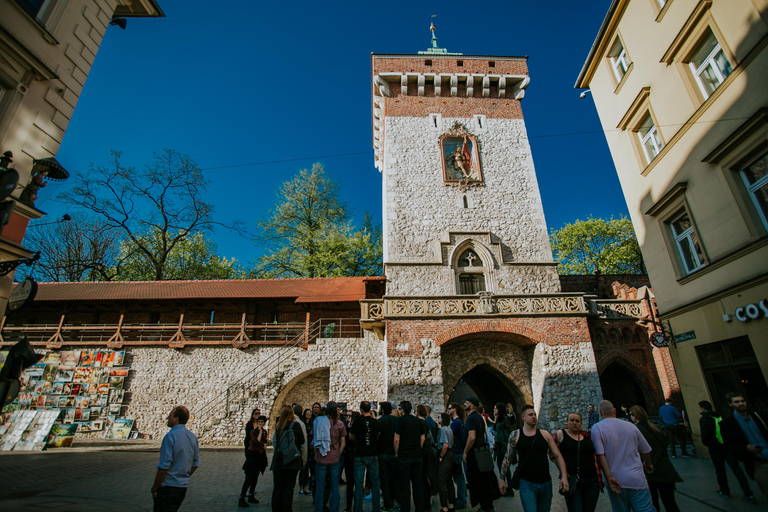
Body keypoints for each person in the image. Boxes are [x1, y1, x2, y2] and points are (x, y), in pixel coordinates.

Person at [499, 404, 568, 512]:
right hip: (527, 483)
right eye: (530, 415)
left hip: (545, 482)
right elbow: (508, 457)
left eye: (535, 414)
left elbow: (558, 455)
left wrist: (564, 476)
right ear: (523, 417)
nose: (534, 416)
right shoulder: (516, 435)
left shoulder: (545, 434)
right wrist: (502, 479)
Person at [591, 400, 654, 512]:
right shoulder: (631, 426)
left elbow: (601, 456)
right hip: (637, 478)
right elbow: (646, 450)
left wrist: (609, 477)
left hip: (616, 479)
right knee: (645, 509)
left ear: (600, 413)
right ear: (615, 410)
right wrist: (648, 464)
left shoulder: (597, 428)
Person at [698, 400, 753, 500]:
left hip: (715, 448)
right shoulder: (720, 415)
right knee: (737, 470)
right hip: (728, 447)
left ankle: (724, 490)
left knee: (720, 470)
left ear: (703, 408)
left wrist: (708, 444)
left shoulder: (704, 419)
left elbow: (705, 435)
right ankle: (748, 493)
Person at [630, 405, 682, 512]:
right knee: (670, 503)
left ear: (635, 417)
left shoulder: (636, 430)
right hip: (666, 470)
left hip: (650, 470)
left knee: (652, 504)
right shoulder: (655, 428)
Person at [720, 392, 768, 502]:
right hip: (758, 463)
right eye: (737, 402)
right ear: (730, 404)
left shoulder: (758, 416)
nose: (741, 404)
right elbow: (729, 446)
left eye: (742, 401)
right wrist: (745, 448)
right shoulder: (727, 424)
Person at [151, 405, 200, 512]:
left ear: (176, 419)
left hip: (168, 486)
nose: (167, 418)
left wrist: (154, 488)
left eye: (170, 416)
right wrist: (183, 475)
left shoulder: (170, 437)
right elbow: (196, 463)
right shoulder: (192, 437)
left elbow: (164, 466)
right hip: (182, 487)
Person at [553, 412, 600, 512]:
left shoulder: (587, 436)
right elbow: (553, 455)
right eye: (572, 420)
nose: (574, 423)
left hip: (592, 481)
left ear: (581, 424)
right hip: (574, 480)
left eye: (577, 421)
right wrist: (563, 473)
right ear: (567, 422)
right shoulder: (560, 434)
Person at [463, 397, 501, 512]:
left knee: (478, 480)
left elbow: (472, 436)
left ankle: (485, 507)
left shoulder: (470, 418)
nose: (464, 404)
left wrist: (465, 452)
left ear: (472, 406)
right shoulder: (479, 417)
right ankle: (488, 505)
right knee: (485, 479)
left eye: (467, 403)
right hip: (482, 451)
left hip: (475, 453)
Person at [271, 404, 306, 512]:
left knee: (277, 487)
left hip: (278, 460)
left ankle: (276, 509)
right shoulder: (296, 425)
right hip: (291, 461)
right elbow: (302, 441)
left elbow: (274, 441)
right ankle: (286, 508)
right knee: (288, 488)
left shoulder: (278, 425)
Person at [314, 400, 347, 512]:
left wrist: (317, 453)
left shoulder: (319, 421)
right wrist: (338, 453)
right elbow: (343, 442)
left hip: (321, 458)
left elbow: (314, 441)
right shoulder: (340, 424)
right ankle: (335, 509)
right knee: (335, 487)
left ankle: (318, 509)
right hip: (334, 458)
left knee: (320, 487)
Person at [394, 400, 426, 512]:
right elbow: (423, 438)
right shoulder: (418, 421)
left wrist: (397, 453)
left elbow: (397, 439)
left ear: (402, 410)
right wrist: (418, 448)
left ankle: (405, 509)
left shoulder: (399, 421)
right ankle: (420, 509)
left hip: (404, 456)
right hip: (417, 456)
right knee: (418, 485)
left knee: (405, 487)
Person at [351, 401, 381, 512]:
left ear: (361, 410)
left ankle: (358, 508)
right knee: (375, 483)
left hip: (360, 454)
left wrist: (359, 440)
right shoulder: (376, 422)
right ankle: (376, 508)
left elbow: (351, 435)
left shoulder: (357, 421)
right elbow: (378, 435)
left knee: (358, 484)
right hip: (373, 454)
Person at [240, 412, 268, 507]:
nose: (260, 423)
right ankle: (242, 497)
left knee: (255, 477)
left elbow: (264, 441)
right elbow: (257, 441)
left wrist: (264, 444)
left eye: (262, 422)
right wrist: (260, 432)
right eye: (259, 421)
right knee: (248, 478)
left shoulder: (264, 432)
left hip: (259, 457)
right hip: (252, 457)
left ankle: (251, 494)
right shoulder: (253, 432)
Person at [377, 402, 398, 512]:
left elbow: (378, 437)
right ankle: (395, 500)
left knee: (384, 479)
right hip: (393, 453)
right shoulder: (396, 421)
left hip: (383, 453)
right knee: (394, 478)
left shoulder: (380, 421)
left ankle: (387, 502)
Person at [417, 404, 438, 510]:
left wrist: (419, 449)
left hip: (426, 452)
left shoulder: (424, 422)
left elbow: (423, 438)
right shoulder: (430, 421)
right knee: (429, 475)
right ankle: (429, 496)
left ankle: (427, 498)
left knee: (425, 477)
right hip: (430, 450)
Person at [448, 402, 468, 509]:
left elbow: (451, 436)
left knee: (458, 476)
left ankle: (461, 499)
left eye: (449, 408)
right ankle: (462, 497)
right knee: (459, 476)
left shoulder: (456, 423)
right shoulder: (457, 422)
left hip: (457, 451)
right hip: (458, 451)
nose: (448, 410)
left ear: (454, 409)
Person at [492, 402, 514, 497]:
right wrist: (495, 418)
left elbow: (508, 430)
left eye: (495, 409)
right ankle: (503, 486)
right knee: (500, 465)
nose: (494, 410)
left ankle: (509, 488)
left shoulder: (504, 418)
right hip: (498, 445)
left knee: (505, 467)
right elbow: (494, 428)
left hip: (503, 446)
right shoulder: (498, 418)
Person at [436, 412, 456, 512]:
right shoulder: (449, 429)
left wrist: (441, 456)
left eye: (439, 417)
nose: (438, 418)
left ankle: (444, 506)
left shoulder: (443, 429)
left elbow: (445, 445)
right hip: (450, 454)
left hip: (445, 455)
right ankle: (451, 503)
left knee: (441, 481)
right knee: (449, 480)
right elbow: (452, 442)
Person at [293, 404, 310, 496]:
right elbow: (304, 443)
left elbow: (274, 440)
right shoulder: (301, 423)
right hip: (299, 452)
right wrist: (304, 458)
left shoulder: (283, 422)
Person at [300, 408, 315, 496]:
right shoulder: (302, 424)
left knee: (310, 468)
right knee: (303, 469)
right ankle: (302, 487)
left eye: (310, 413)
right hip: (304, 448)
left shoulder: (312, 423)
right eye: (307, 413)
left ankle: (307, 487)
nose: (309, 414)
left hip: (311, 448)